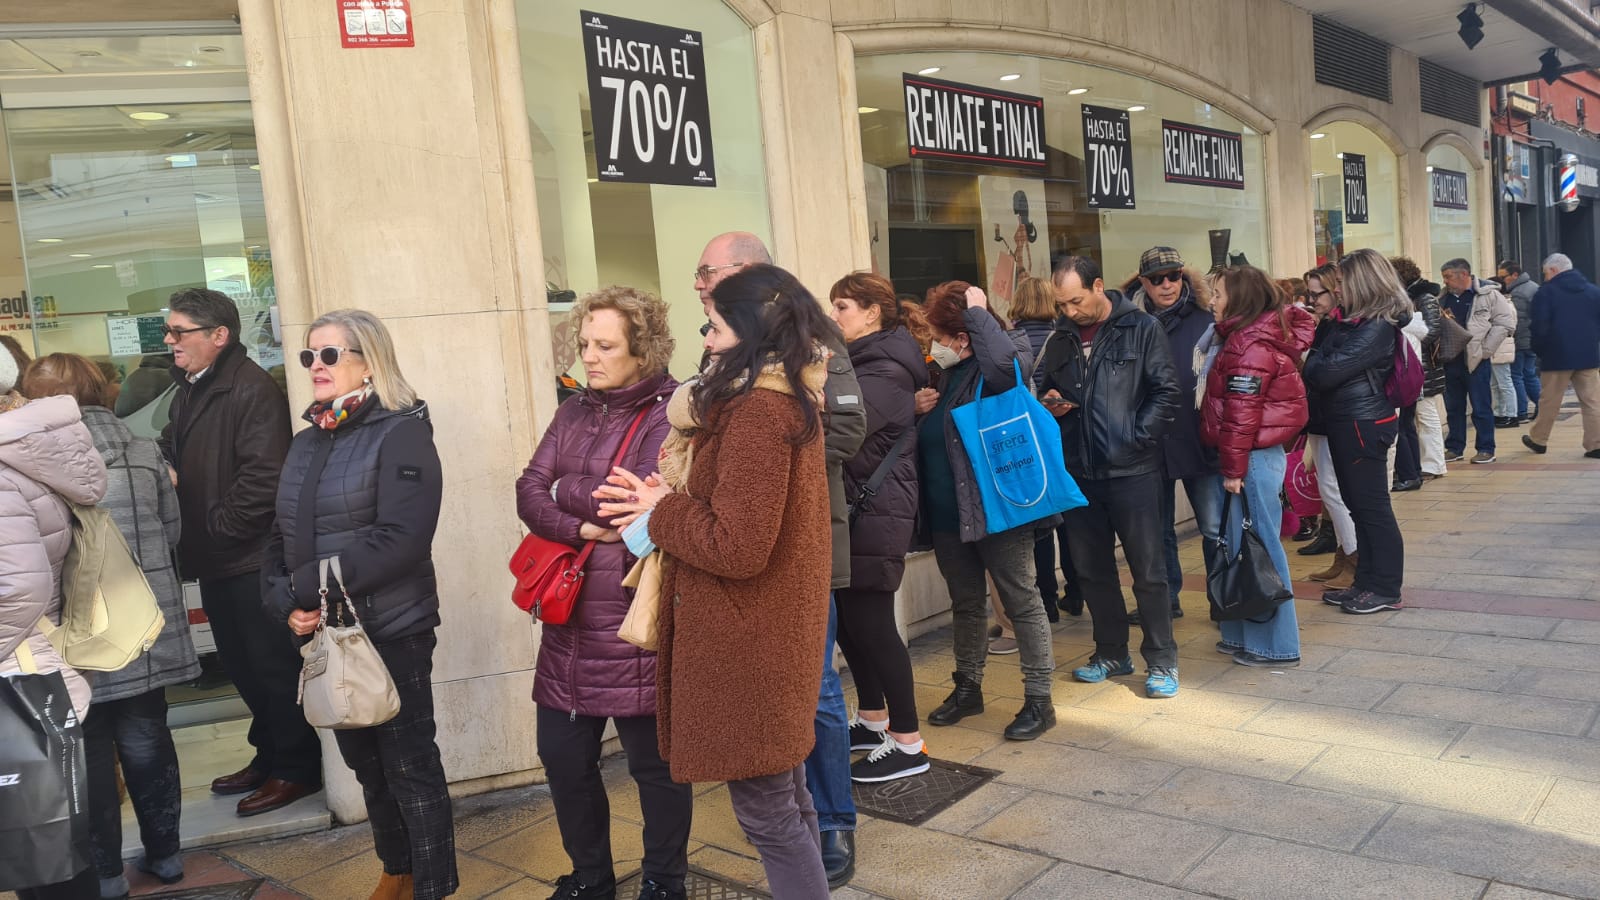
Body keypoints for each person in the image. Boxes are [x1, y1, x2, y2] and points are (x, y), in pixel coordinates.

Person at [596, 264, 835, 899]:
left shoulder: (758, 409)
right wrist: (665, 501)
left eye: (717, 325)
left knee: (770, 815)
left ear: (751, 332)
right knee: (788, 799)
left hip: (747, 641)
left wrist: (658, 510)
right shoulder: (780, 397)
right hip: (765, 632)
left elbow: (737, 545)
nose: (706, 338)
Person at [262, 310, 456, 900]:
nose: (316, 367)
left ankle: (432, 887)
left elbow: (400, 540)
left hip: (392, 629)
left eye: (330, 355)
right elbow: (280, 538)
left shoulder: (402, 433)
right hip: (328, 634)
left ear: (368, 361)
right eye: (309, 356)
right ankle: (395, 871)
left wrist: (305, 589)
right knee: (366, 768)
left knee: (409, 767)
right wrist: (282, 601)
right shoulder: (306, 441)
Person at [693, 232, 864, 887]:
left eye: (713, 273)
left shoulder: (809, 350)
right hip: (752, 555)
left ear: (751, 276)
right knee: (781, 723)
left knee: (814, 689)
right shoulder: (729, 352)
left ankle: (835, 820)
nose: (703, 285)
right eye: (701, 276)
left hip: (803, 549)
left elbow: (844, 430)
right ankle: (802, 828)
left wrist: (755, 478)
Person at [515, 287, 690, 900]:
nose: (588, 356)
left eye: (604, 345)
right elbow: (528, 489)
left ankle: (666, 882)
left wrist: (567, 489)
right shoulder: (573, 411)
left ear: (642, 349)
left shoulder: (672, 412)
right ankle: (591, 876)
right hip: (567, 623)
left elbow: (632, 500)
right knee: (564, 761)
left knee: (655, 770)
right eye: (584, 343)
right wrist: (578, 520)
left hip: (632, 623)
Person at [22, 354, 200, 899]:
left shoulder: (28, 466)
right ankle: (166, 855)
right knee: (147, 734)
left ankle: (104, 873)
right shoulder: (144, 452)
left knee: (90, 748)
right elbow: (172, 532)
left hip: (75, 629)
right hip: (144, 621)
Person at [157, 288, 318, 816]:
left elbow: (263, 479)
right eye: (171, 331)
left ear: (218, 336)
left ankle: (296, 768)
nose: (170, 341)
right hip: (215, 555)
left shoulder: (249, 391)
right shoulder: (191, 388)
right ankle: (269, 754)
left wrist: (215, 528)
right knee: (243, 669)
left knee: (271, 666)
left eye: (180, 332)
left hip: (248, 557)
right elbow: (174, 446)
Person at [912, 281, 1058, 737]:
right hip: (947, 514)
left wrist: (978, 316)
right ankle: (968, 688)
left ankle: (1039, 700)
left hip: (997, 508)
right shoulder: (944, 374)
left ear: (961, 338)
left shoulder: (994, 367)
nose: (932, 345)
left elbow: (1007, 367)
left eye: (939, 334)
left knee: (1022, 600)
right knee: (967, 604)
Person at [1037, 256, 1183, 698]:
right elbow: (1042, 384)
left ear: (1098, 286)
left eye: (1076, 301)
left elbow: (1167, 390)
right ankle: (1111, 652)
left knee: (1148, 571)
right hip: (1079, 469)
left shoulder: (1140, 327)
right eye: (1061, 304)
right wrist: (1051, 402)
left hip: (1132, 469)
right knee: (1091, 569)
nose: (1069, 311)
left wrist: (1137, 437)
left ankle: (1162, 661)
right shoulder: (1060, 336)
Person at [0, 350, 108, 900]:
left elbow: (18, 588)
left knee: (42, 847)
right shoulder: (23, 452)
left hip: (19, 671)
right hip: (39, 664)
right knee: (48, 840)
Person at [826, 273, 929, 783]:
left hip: (876, 512)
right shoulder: (863, 362)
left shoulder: (883, 367)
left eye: (842, 306)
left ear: (872, 313)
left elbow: (845, 434)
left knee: (874, 627)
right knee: (850, 622)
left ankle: (909, 742)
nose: (834, 317)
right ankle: (872, 719)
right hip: (860, 512)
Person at [1199, 268, 1314, 665]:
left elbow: (1241, 416)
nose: (1211, 300)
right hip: (1248, 457)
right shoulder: (1244, 338)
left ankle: (1277, 645)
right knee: (1239, 545)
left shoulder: (1249, 346)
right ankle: (1242, 634)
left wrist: (1233, 470)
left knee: (1260, 547)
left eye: (1217, 293)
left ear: (1240, 299)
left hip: (1250, 459)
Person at [1303, 249, 1409, 614]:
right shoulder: (1350, 323)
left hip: (1363, 424)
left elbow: (1322, 372)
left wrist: (1312, 355)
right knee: (1357, 507)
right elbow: (1320, 362)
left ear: (1362, 283)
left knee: (1372, 508)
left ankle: (1385, 587)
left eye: (1344, 282)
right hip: (1347, 421)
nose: (1339, 288)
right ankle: (1364, 581)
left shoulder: (1377, 326)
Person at [1122, 246, 1219, 625]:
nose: (1167, 285)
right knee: (1156, 531)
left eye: (1174, 275)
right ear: (1143, 282)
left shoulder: (1205, 317)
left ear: (1184, 276)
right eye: (1157, 278)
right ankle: (1165, 600)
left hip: (1199, 436)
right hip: (1150, 439)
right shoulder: (1128, 321)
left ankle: (1222, 596)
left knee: (1213, 526)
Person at [1009, 275, 1076, 625]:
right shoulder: (1062, 339)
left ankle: (1047, 600)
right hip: (1059, 436)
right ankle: (1076, 591)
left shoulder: (1011, 344)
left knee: (1040, 523)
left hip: (1026, 441)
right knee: (1068, 519)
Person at [1297, 264, 1359, 592]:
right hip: (1322, 415)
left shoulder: (1345, 325)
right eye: (1309, 292)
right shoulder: (1328, 323)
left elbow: (1323, 369)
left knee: (1335, 490)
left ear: (1336, 290)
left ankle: (1354, 556)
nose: (1312, 299)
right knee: (1329, 489)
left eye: (1316, 292)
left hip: (1336, 416)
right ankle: (1343, 553)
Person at [1438, 259, 1516, 465]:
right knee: (1453, 407)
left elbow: (1505, 323)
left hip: (1476, 359)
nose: (1444, 281)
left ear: (1463, 275)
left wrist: (1486, 350)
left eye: (1448, 276)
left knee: (1481, 407)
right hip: (1450, 360)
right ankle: (1454, 447)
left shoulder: (1488, 295)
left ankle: (1486, 448)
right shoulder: (1443, 297)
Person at [1523, 253, 1600, 458]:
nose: (1545, 277)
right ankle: (1595, 444)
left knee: (1550, 401)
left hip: (1556, 356)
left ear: (1554, 270)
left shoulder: (1546, 293)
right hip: (1588, 355)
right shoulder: (1593, 291)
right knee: (1592, 401)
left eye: (1546, 273)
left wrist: (1540, 350)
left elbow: (1539, 327)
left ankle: (1539, 440)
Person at [1392, 258, 1447, 482]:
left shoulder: (1424, 297)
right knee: (1418, 417)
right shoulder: (1411, 297)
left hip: (1424, 366)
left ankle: (1434, 464)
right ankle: (1426, 463)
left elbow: (1431, 331)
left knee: (1427, 415)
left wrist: (1407, 328)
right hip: (1416, 364)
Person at [1497, 260, 1542, 424]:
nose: (1502, 280)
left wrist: (1513, 340)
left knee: (1517, 375)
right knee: (1529, 374)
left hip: (1521, 340)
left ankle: (1521, 411)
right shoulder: (1533, 286)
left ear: (1515, 275)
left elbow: (1518, 321)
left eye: (1504, 277)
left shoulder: (1518, 293)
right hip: (1531, 339)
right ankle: (1542, 405)